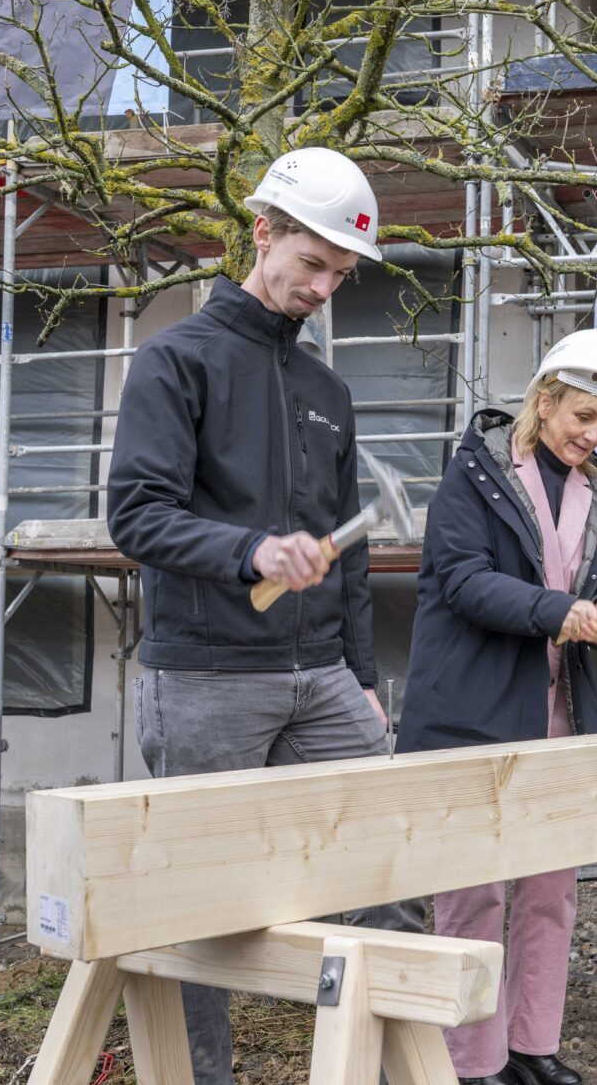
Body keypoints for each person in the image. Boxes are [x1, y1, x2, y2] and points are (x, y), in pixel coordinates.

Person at [108, 147, 424, 1085]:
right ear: (262, 232)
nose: (324, 287)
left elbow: (350, 554)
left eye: (341, 273)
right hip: (204, 675)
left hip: (320, 676)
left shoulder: (327, 392)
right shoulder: (177, 360)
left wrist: (363, 681)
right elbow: (136, 514)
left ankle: (375, 1065)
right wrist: (249, 551)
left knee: (392, 858)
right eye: (312, 263)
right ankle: (201, 1076)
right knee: (201, 908)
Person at [394, 329, 597, 1085]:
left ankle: (534, 1044)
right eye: (582, 418)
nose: (592, 436)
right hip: (471, 708)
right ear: (543, 402)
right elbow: (462, 582)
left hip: (557, 710)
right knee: (470, 891)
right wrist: (559, 609)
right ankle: (473, 1058)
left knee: (550, 890)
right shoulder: (474, 473)